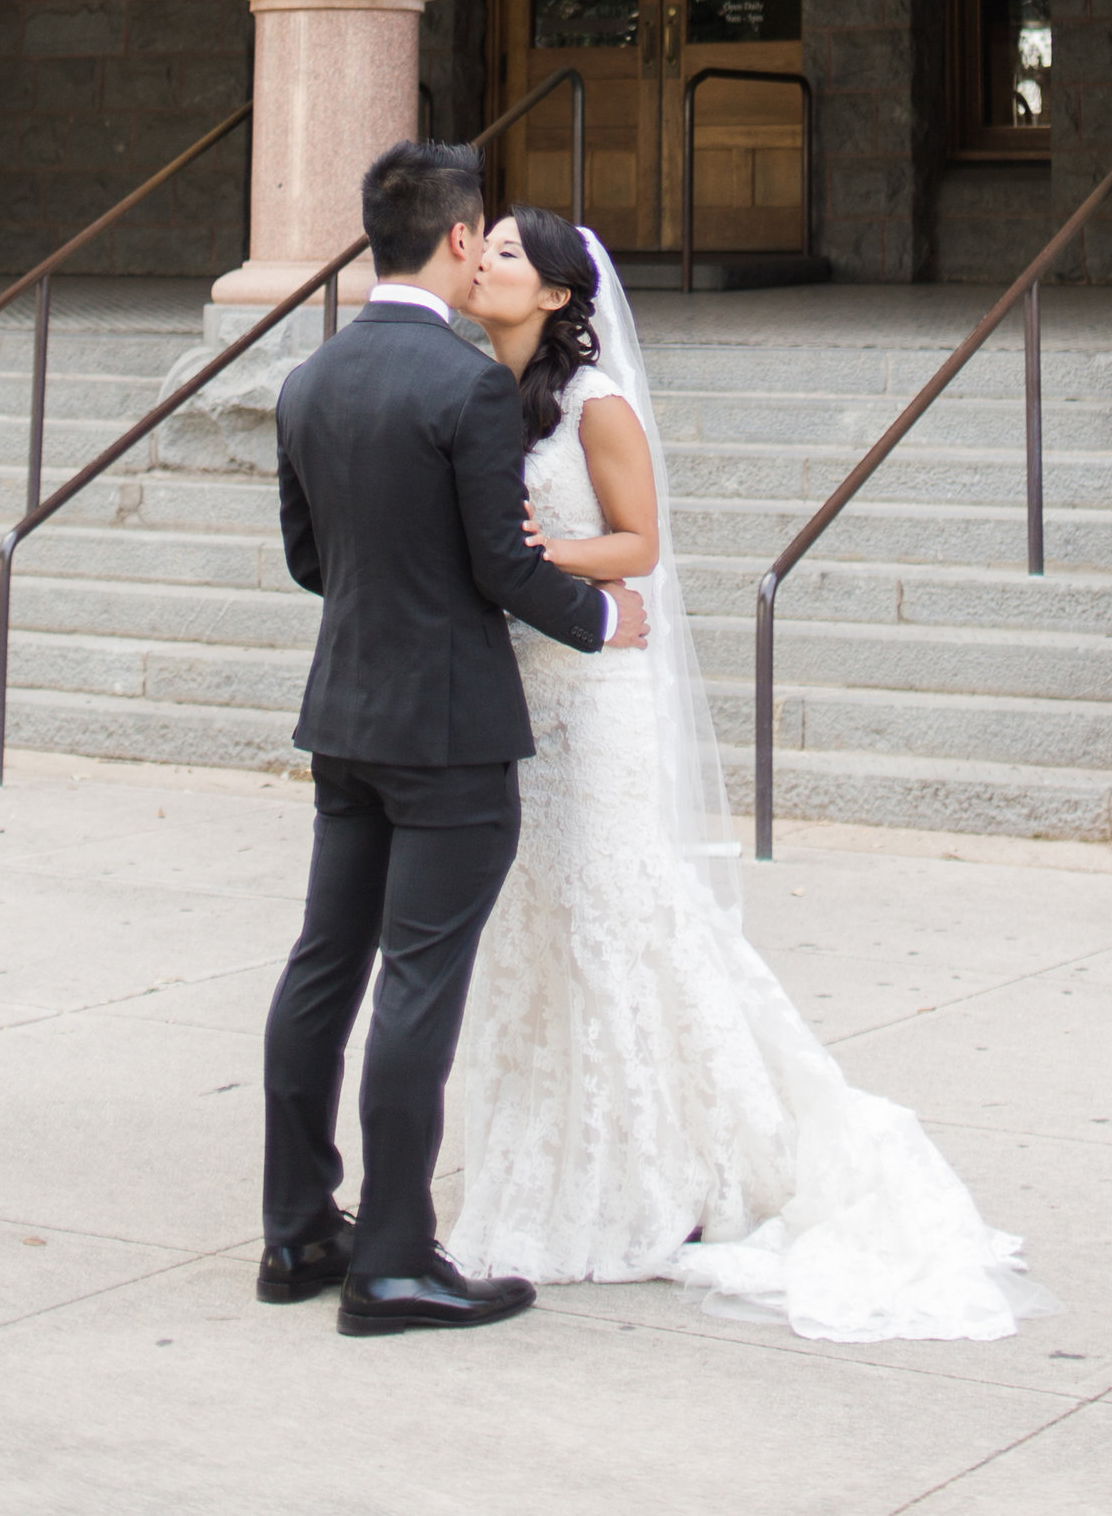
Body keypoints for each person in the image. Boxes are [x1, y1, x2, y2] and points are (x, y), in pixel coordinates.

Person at [448, 207, 1047, 1344]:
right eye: (486, 248)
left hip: (595, 701)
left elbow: (640, 546)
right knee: (532, 924)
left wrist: (533, 557)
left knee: (615, 915)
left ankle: (664, 1165)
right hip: (514, 695)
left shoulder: (596, 405)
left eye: (511, 255)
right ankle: (548, 1147)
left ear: (563, 296)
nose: (483, 261)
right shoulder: (480, 390)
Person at [259, 141, 650, 1339]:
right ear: (460, 238)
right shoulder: (466, 384)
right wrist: (601, 615)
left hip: (345, 714)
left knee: (325, 963)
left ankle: (295, 1229)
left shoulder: (309, 377)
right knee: (420, 982)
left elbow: (309, 561)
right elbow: (502, 566)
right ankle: (390, 1260)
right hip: (448, 730)